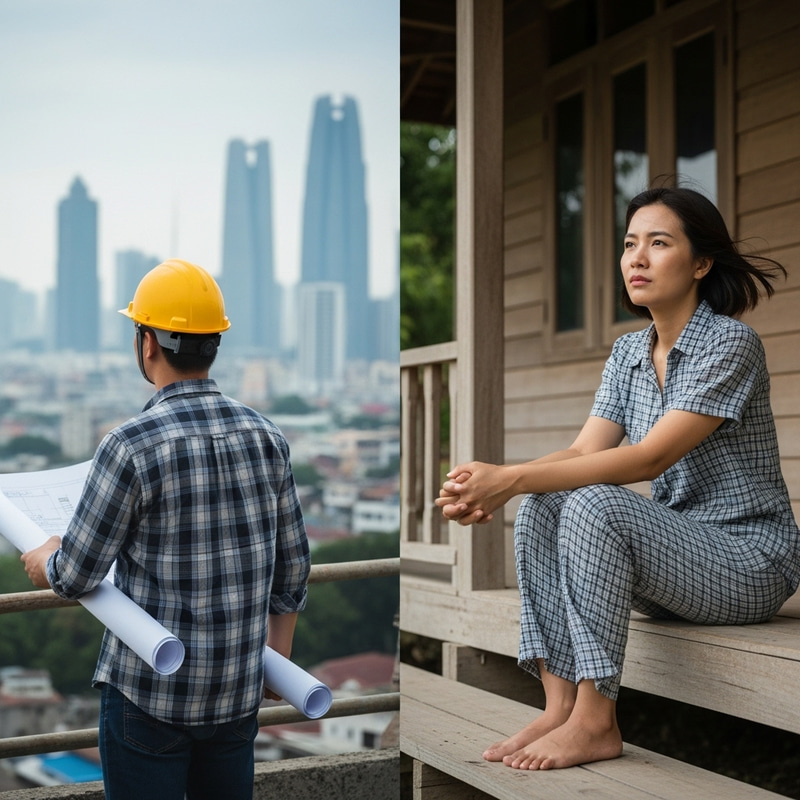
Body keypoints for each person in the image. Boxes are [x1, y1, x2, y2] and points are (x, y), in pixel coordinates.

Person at [436, 187, 800, 771]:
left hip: (749, 562)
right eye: (630, 243)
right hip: (676, 565)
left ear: (701, 263)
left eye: (659, 243)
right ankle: (561, 706)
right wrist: (499, 479)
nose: (637, 258)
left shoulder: (730, 343)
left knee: (594, 503)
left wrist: (511, 477)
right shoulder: (629, 352)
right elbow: (585, 449)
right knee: (544, 504)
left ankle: (597, 718)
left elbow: (649, 459)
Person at [22, 259, 310, 800]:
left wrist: (46, 558)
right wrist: (278, 663)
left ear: (147, 342)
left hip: (148, 698)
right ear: (213, 344)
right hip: (235, 694)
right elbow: (293, 568)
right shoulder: (266, 436)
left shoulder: (130, 445)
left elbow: (77, 573)